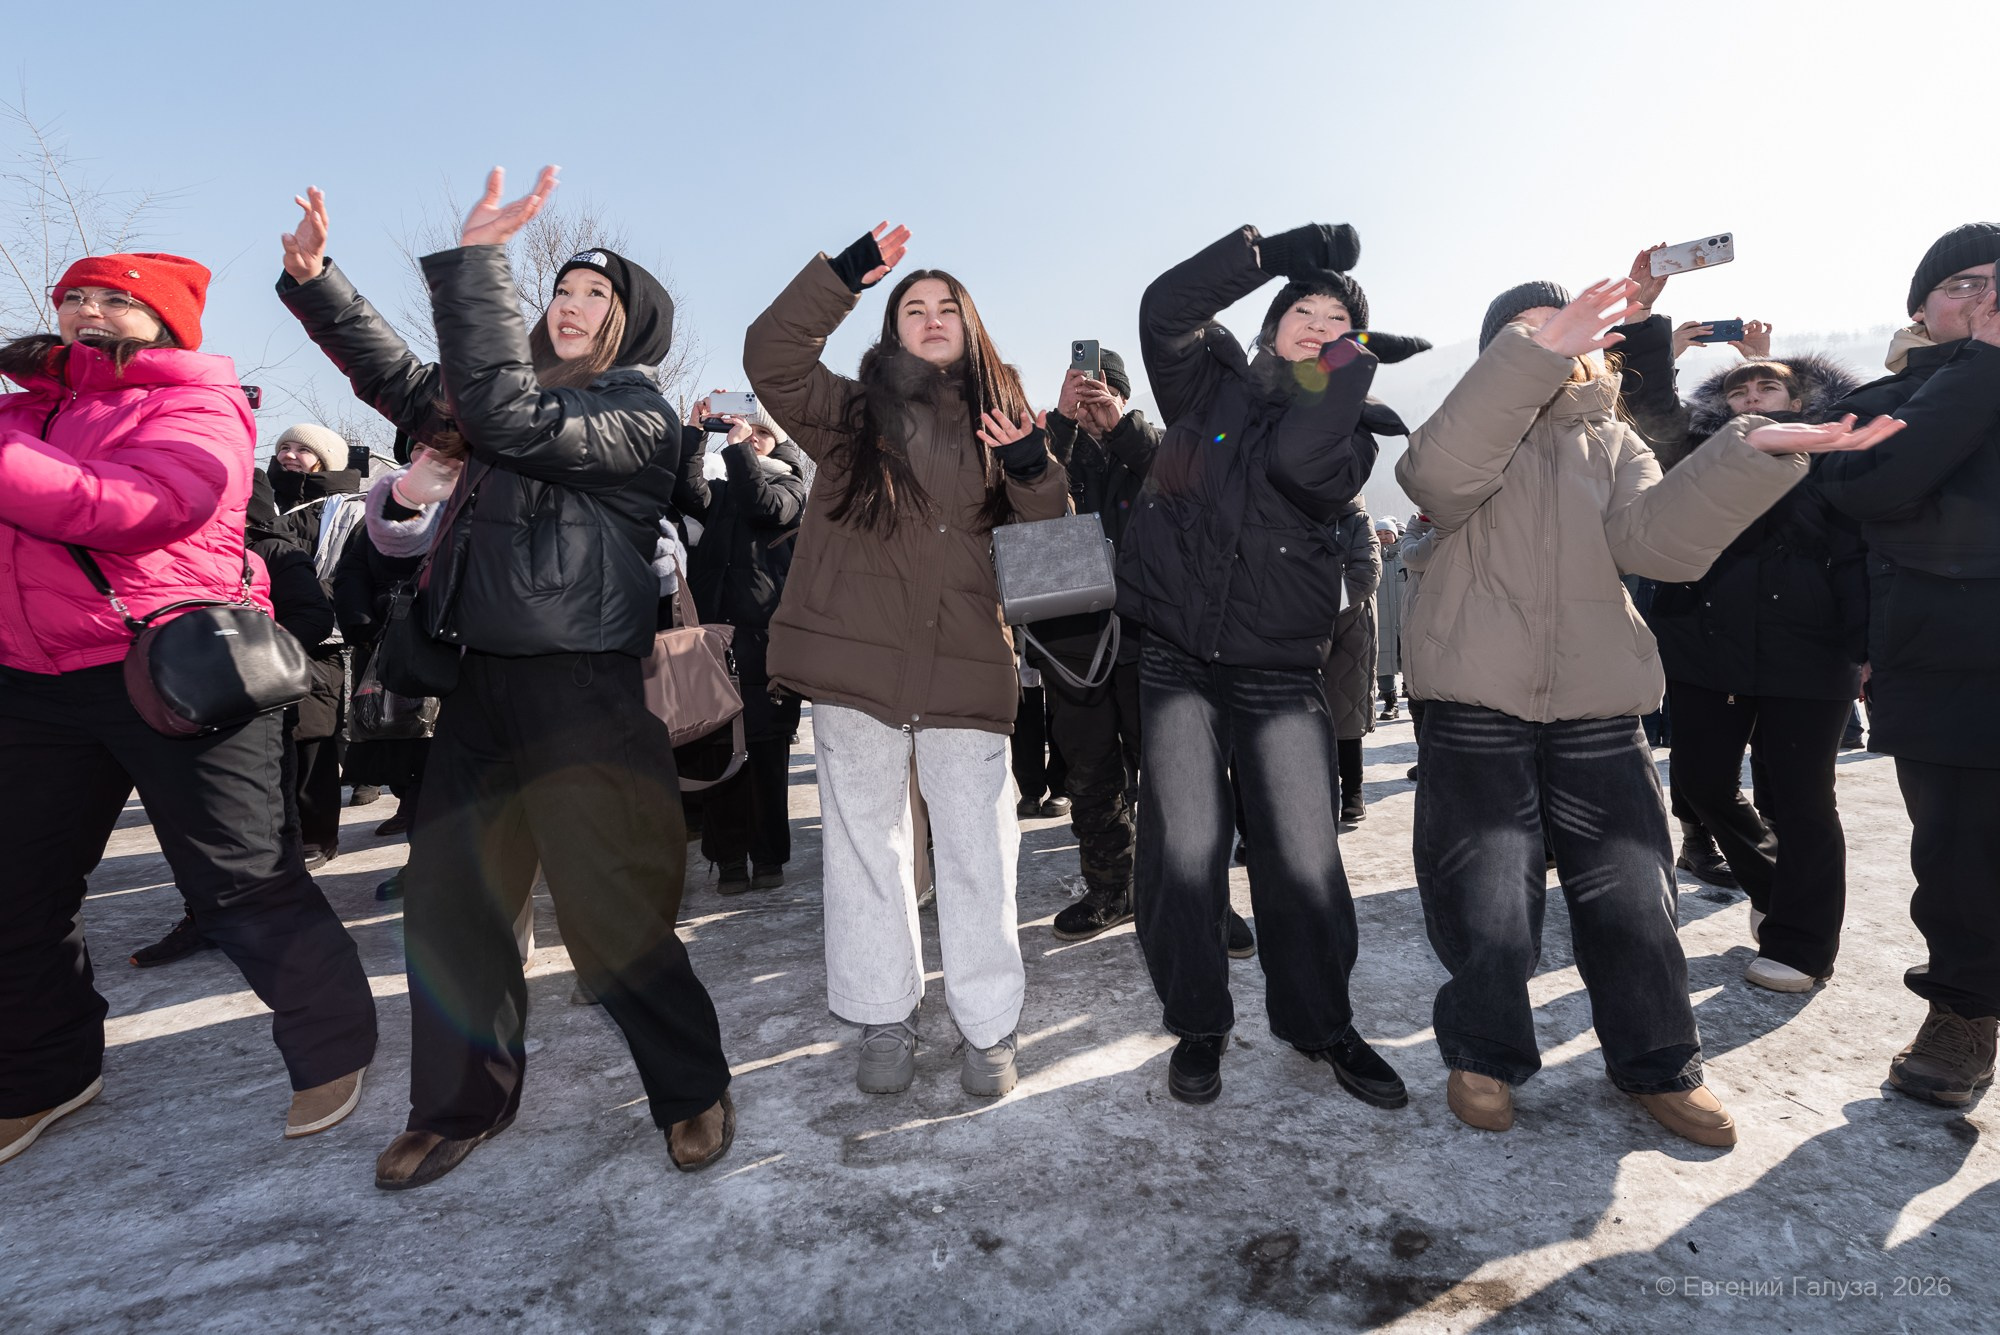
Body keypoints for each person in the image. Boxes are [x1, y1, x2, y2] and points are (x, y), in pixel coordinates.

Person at [278, 171, 734, 1184]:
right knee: (451, 907)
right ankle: (457, 1105)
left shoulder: (640, 417)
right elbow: (407, 384)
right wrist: (316, 283)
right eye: (558, 293)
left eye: (594, 299)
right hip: (477, 691)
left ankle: (691, 1083)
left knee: (609, 917)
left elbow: (514, 422)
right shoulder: (496, 399)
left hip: (584, 696)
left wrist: (478, 261)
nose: (568, 308)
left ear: (629, 328)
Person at [1397, 276, 1902, 1147]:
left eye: (1567, 330)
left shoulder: (1615, 439)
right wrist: (1528, 360)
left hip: (1600, 694)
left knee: (1634, 887)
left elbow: (1657, 546)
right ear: (1500, 351)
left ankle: (1659, 1060)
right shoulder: (1473, 424)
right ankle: (1482, 1051)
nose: (1557, 340)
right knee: (1486, 889)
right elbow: (1437, 481)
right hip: (1476, 690)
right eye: (1529, 331)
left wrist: (1752, 449)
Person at [0, 252, 379, 1165]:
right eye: (74, 298)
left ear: (163, 321)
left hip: (167, 668)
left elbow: (140, 503)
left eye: (114, 301)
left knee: (242, 887)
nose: (88, 312)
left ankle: (333, 1044)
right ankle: (46, 1073)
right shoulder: (25, 408)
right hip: (29, 681)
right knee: (17, 895)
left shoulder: (198, 404)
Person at [744, 222, 1068, 1100]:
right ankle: (884, 1016)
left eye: (946, 308)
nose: (930, 318)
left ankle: (989, 1028)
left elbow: (1053, 549)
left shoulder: (1008, 422)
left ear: (970, 327)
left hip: (966, 667)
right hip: (858, 670)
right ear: (890, 330)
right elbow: (769, 355)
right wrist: (843, 274)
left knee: (979, 854)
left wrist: (1034, 466)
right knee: (866, 851)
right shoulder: (849, 414)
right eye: (912, 308)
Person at [1115, 220, 1427, 1108]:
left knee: (1301, 855)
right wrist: (1276, 250)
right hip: (1176, 656)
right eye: (1306, 308)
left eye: (1340, 321)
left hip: (1277, 666)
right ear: (1274, 314)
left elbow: (1298, 462)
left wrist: (1340, 371)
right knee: (1183, 851)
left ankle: (1322, 1020)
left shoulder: (1351, 421)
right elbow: (1162, 308)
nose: (1320, 323)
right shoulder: (1202, 379)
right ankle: (1200, 1020)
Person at [1611, 258, 1868, 993]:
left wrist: (1863, 649)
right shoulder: (1698, 454)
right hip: (1706, 647)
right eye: (1740, 388)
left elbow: (1857, 554)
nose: (1753, 396)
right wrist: (1645, 323)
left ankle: (1803, 943)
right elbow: (1653, 407)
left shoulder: (1833, 456)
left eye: (1768, 386)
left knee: (1802, 797)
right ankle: (1774, 887)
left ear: (1800, 396)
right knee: (1701, 780)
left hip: (1809, 655)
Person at [1817, 222, 2000, 1107]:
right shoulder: (1884, 399)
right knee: (1960, 856)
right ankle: (1964, 1012)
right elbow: (1871, 488)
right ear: (1920, 306)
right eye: (1965, 283)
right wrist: (1986, 369)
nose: (1988, 297)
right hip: (1947, 660)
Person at [1038, 350, 1156, 942]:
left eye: (1104, 392)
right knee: (1090, 776)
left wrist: (1122, 427)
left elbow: (1183, 480)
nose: (1091, 403)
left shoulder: (1152, 445)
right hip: (1072, 646)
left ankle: (1190, 892)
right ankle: (1112, 888)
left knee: (1168, 774)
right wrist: (1058, 424)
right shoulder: (1052, 447)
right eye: (1082, 393)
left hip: (1151, 639)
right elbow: (1017, 493)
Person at [674, 393, 808, 892]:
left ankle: (768, 858)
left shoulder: (790, 487)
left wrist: (739, 452)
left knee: (765, 756)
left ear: (778, 443)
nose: (750, 440)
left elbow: (764, 505)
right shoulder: (722, 490)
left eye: (761, 435)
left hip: (765, 645)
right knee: (717, 754)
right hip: (713, 644)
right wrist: (692, 435)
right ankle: (728, 860)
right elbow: (686, 491)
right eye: (744, 433)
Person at [1326, 497, 1382, 826]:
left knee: (1346, 715)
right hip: (1300, 626)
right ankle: (1319, 794)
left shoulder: (1358, 520)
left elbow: (1367, 574)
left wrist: (1320, 604)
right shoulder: (1300, 512)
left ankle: (1353, 793)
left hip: (1351, 627)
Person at [1374, 516, 1405, 721]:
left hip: (1405, 619)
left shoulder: (1406, 557)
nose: (1384, 537)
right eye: (1379, 534)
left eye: (1387, 533)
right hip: (1381, 621)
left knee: (1412, 661)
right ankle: (1390, 703)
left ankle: (1416, 701)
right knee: (1383, 662)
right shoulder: (1370, 557)